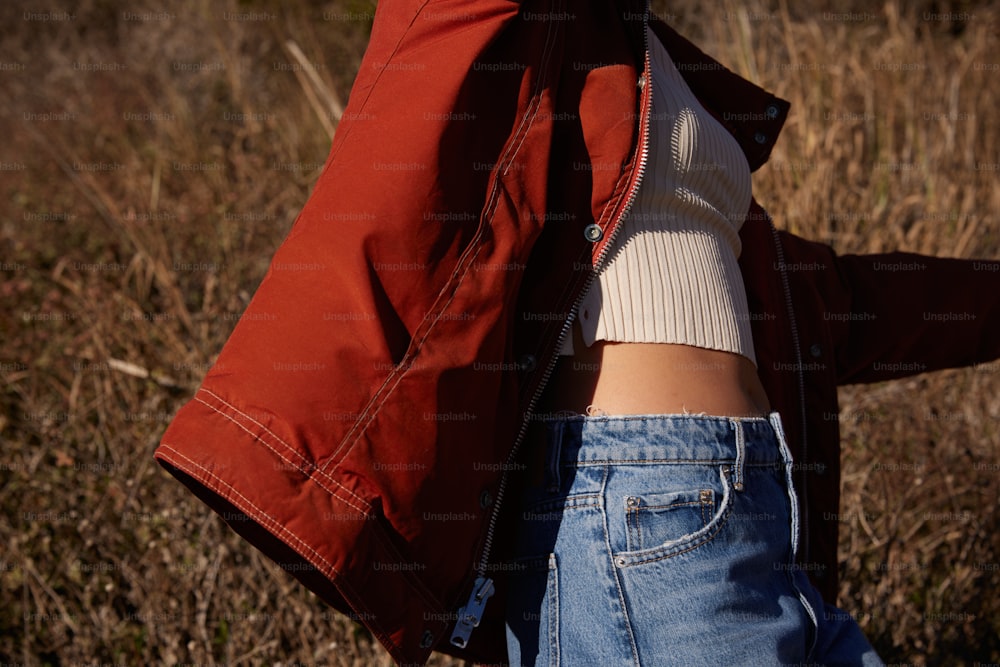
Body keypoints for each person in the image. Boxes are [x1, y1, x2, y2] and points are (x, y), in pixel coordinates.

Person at [154, 2, 1000, 665]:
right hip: (645, 498)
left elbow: (830, 300)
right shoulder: (528, 27)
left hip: (735, 500)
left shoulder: (642, 60)